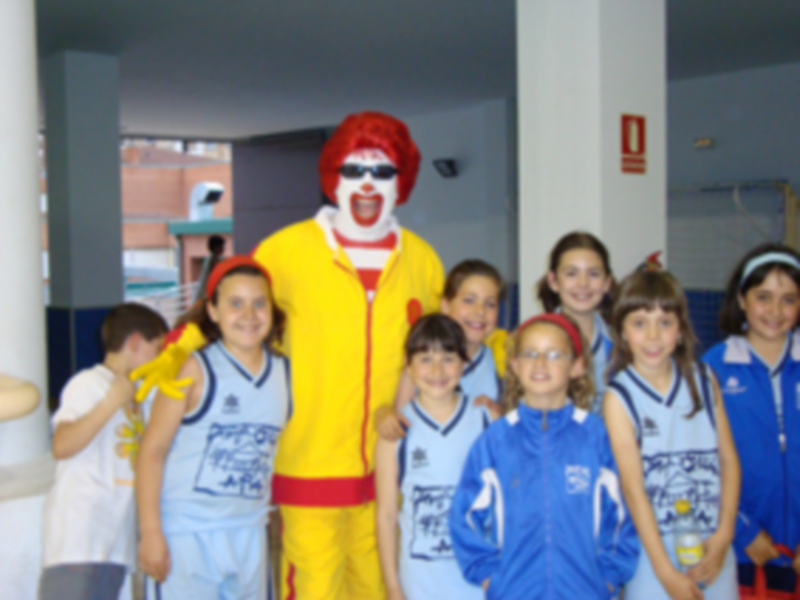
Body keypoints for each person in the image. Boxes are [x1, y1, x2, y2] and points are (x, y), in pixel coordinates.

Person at [132, 112, 443, 599]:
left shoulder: (422, 260)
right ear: (333, 178)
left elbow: (442, 341)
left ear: (400, 182)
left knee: (380, 589)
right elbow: (235, 302)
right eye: (354, 170)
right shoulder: (288, 250)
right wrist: (178, 350)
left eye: (381, 172)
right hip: (309, 465)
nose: (366, 184)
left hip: (389, 470)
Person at [449, 313, 639, 599]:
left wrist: (608, 579)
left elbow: (623, 514)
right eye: (530, 353)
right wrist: (492, 579)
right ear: (515, 365)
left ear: (576, 366)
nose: (540, 363)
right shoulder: (496, 440)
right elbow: (464, 516)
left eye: (553, 354)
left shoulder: (597, 436)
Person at [136, 255, 290, 599]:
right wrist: (150, 531)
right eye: (235, 304)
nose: (249, 315)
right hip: (186, 533)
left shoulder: (285, 374)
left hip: (249, 530)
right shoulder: (192, 369)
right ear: (213, 311)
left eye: (259, 304)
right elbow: (152, 450)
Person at [604, 271, 740, 600]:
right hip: (653, 557)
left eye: (664, 322)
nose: (653, 335)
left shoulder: (705, 380)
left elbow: (729, 462)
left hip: (712, 548)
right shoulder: (618, 397)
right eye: (639, 323)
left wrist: (723, 536)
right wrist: (665, 572)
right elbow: (633, 490)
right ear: (622, 332)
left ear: (680, 330)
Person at [39, 303, 168, 600]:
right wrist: (111, 402)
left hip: (113, 544)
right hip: (79, 541)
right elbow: (62, 445)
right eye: (156, 347)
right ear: (135, 342)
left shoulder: (138, 395)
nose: (159, 357)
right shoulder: (89, 383)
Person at [702, 244, 800, 593]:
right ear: (741, 299)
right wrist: (743, 530)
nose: (776, 310)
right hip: (742, 549)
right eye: (764, 297)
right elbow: (703, 462)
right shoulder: (712, 367)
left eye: (789, 299)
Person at [375, 314, 489, 600]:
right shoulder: (395, 432)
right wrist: (392, 587)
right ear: (408, 365)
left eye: (448, 357)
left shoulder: (486, 420)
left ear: (464, 363)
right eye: (425, 358)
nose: (437, 369)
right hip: (420, 586)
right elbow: (387, 516)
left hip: (478, 584)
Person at [376, 259, 504, 440]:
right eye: (469, 300)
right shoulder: (419, 362)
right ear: (445, 305)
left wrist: (502, 414)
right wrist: (383, 413)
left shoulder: (503, 361)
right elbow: (399, 425)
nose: (480, 311)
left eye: (490, 304)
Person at [537, 231, 615, 413]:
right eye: (571, 273)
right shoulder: (532, 341)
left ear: (607, 282)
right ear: (553, 281)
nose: (583, 283)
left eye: (594, 274)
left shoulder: (622, 343)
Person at [194, 234, 227, 302]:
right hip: (206, 295)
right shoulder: (212, 261)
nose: (223, 248)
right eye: (221, 246)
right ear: (215, 247)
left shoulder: (210, 259)